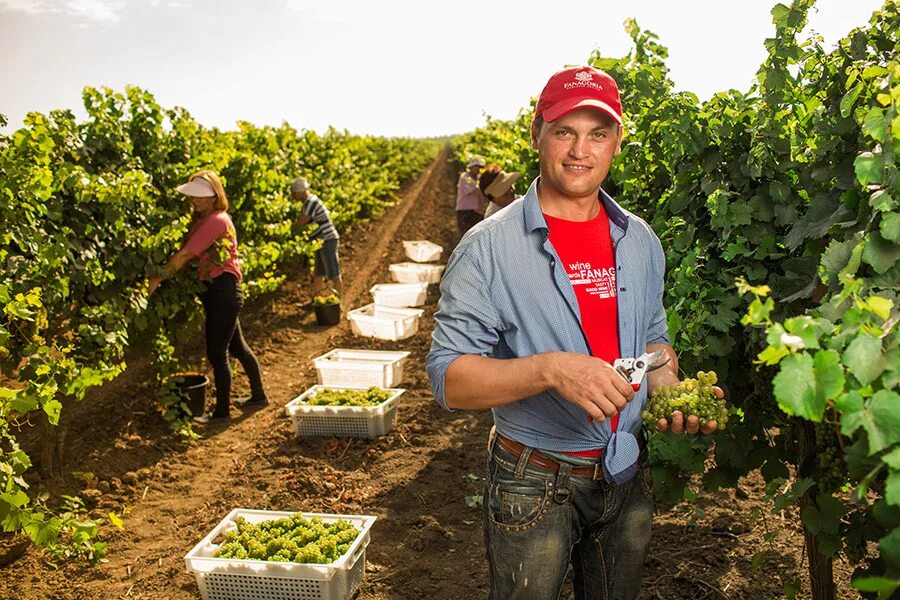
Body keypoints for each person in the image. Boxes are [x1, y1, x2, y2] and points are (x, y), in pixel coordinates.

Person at [426, 66, 723, 600]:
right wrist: (550, 368)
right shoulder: (488, 247)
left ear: (617, 141)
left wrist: (669, 388)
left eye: (598, 133)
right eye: (564, 130)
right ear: (537, 132)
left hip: (626, 470)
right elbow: (449, 378)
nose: (579, 150)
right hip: (533, 481)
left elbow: (653, 340)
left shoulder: (639, 239)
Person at [148, 170, 268, 424]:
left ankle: (221, 413)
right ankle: (258, 396)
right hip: (219, 292)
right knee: (237, 347)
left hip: (223, 292)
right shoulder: (205, 220)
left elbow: (184, 255)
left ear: (215, 197)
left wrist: (156, 279)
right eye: (193, 197)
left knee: (217, 353)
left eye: (201, 197)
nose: (195, 201)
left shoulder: (216, 220)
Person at [291, 177, 342, 299]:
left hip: (327, 240)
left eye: (294, 193)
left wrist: (291, 228)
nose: (293, 196)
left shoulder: (310, 202)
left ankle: (338, 303)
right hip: (320, 242)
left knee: (334, 274)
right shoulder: (308, 202)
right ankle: (316, 299)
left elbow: (302, 221)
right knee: (319, 274)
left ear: (300, 191)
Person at [455, 156, 487, 236]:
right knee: (466, 236)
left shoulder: (478, 179)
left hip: (477, 212)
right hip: (465, 211)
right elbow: (477, 191)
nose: (478, 169)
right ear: (471, 167)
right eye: (477, 167)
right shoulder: (465, 176)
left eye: (480, 167)